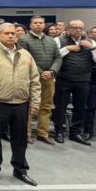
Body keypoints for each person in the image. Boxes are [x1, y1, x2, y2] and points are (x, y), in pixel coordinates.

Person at [0, 23, 41, 186]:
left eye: (13, 33)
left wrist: (35, 102)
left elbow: (34, 80)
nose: (11, 36)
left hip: (21, 103)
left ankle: (20, 169)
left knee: (20, 139)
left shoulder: (25, 55)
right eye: (7, 33)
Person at [55, 20, 96, 145]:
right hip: (64, 79)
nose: (78, 30)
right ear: (68, 28)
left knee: (80, 107)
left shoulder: (91, 41)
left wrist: (92, 48)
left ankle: (76, 132)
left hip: (83, 79)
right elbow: (54, 57)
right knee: (60, 107)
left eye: (81, 28)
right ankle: (59, 131)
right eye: (75, 28)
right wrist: (67, 48)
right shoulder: (58, 40)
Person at [18, 16, 62, 145]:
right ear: (30, 25)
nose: (38, 25)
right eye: (35, 23)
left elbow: (58, 58)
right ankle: (26, 134)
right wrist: (42, 72)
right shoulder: (23, 39)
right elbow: (25, 59)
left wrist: (52, 71)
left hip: (49, 78)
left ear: (44, 25)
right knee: (29, 106)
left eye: (41, 23)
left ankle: (43, 133)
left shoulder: (51, 40)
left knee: (46, 106)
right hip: (31, 78)